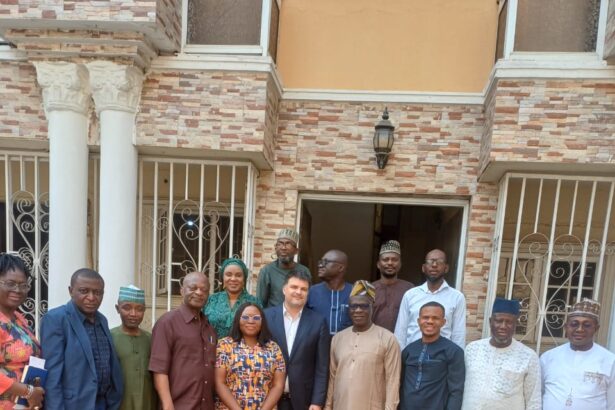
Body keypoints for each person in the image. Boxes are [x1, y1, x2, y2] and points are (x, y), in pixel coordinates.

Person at [41, 268, 124, 410]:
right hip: (72, 405)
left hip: (103, 403)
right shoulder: (56, 319)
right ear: (71, 291)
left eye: (97, 292)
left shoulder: (102, 320)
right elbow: (52, 376)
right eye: (84, 291)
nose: (91, 297)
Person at [325, 280, 401, 410]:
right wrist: (328, 407)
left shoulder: (388, 339)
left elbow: (393, 381)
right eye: (353, 306)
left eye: (364, 306)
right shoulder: (338, 339)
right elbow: (332, 378)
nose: (358, 310)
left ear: (372, 307)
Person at [149, 271, 217, 410]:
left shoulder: (209, 328)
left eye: (204, 290)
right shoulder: (167, 323)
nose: (198, 292)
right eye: (193, 288)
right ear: (181, 291)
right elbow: (159, 369)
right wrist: (167, 405)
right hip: (178, 405)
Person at [265, 270, 330, 410]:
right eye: (294, 287)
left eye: (303, 289)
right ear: (284, 289)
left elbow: (322, 367)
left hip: (304, 401)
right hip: (269, 399)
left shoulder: (318, 322)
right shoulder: (266, 317)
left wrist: (317, 402)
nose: (298, 292)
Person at [462, 298, 540, 410]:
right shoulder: (472, 349)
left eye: (509, 322)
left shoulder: (528, 356)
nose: (503, 326)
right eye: (499, 321)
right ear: (490, 322)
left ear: (515, 325)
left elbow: (533, 401)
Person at [540, 298, 615, 410]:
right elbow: (538, 395)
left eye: (587, 325)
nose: (580, 329)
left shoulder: (610, 361)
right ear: (566, 327)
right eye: (574, 324)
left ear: (596, 328)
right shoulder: (548, 357)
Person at [215, 302, 286, 409]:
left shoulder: (273, 348)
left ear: (262, 321)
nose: (251, 321)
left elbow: (278, 385)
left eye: (256, 318)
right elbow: (219, 383)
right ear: (238, 319)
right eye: (245, 317)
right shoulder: (224, 345)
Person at [394, 249, 466, 349]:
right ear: (423, 268)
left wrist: (457, 356)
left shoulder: (457, 297)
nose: (434, 265)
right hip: (412, 354)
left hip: (443, 355)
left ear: (446, 268)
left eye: (439, 262)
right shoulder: (410, 295)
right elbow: (400, 332)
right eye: (430, 262)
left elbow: (459, 334)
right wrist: (400, 355)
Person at [400, 301, 464, 410]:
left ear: (443, 322)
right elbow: (400, 384)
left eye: (435, 318)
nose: (430, 321)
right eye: (425, 317)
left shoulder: (453, 351)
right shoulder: (409, 350)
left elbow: (456, 391)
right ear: (418, 321)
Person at [0, 253, 44, 409]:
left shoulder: (19, 319)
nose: (17, 290)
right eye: (10, 283)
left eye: (23, 285)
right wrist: (28, 391)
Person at [111, 285, 157, 410]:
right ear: (117, 309)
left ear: (144, 310)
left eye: (139, 309)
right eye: (127, 308)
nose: (133, 314)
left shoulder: (152, 339)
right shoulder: (108, 338)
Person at [204, 258, 261, 338]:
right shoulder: (211, 300)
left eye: (238, 275)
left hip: (244, 346)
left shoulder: (254, 302)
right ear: (223, 278)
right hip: (212, 345)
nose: (233, 279)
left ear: (244, 279)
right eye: (228, 275)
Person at [257, 229, 311, 308]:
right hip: (273, 315)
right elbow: (260, 303)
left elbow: (308, 300)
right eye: (280, 244)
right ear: (275, 248)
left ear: (296, 251)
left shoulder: (304, 271)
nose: (283, 248)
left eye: (288, 244)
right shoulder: (266, 271)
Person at [307, 250, 353, 335]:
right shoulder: (312, 292)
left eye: (325, 262)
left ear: (340, 268)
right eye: (320, 262)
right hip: (317, 342)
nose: (320, 265)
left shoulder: (354, 292)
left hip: (348, 342)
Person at [372, 240, 414, 332]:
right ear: (378, 264)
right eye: (385, 259)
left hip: (401, 339)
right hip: (373, 339)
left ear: (400, 264)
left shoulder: (410, 289)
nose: (390, 263)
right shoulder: (369, 289)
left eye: (394, 260)